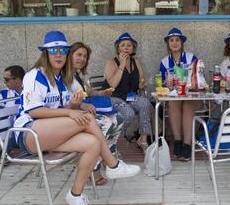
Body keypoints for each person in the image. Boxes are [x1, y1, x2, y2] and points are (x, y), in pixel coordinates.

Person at [13, 31, 140, 205]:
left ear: (67, 54)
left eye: (63, 51)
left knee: (93, 144)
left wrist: (74, 106)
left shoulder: (64, 77)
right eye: (53, 51)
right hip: (29, 132)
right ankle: (113, 164)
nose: (58, 55)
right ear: (45, 53)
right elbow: (35, 111)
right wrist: (71, 112)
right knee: (86, 118)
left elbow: (63, 109)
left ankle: (75, 194)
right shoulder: (35, 75)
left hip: (52, 132)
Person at [69, 42, 124, 186]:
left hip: (85, 111)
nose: (82, 59)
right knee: (105, 124)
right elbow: (66, 100)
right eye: (79, 55)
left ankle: (108, 158)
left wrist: (101, 93)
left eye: (85, 56)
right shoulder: (64, 75)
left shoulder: (78, 74)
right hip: (73, 115)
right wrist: (83, 104)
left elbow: (88, 92)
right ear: (70, 55)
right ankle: (93, 169)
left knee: (118, 118)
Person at [103, 32, 152, 153]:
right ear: (118, 48)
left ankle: (143, 140)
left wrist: (142, 83)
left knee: (145, 103)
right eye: (122, 45)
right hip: (113, 97)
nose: (125, 47)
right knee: (128, 112)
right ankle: (115, 141)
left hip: (129, 97)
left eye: (129, 45)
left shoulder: (136, 62)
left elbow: (141, 81)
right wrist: (122, 65)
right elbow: (112, 85)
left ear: (133, 48)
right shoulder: (111, 62)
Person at [159, 28, 202, 161]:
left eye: (177, 40)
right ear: (168, 43)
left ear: (182, 42)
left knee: (188, 105)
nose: (175, 43)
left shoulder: (191, 57)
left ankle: (187, 144)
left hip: (193, 96)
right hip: (175, 97)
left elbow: (198, 78)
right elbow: (162, 85)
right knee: (173, 103)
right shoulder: (164, 61)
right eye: (171, 40)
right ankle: (177, 140)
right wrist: (167, 82)